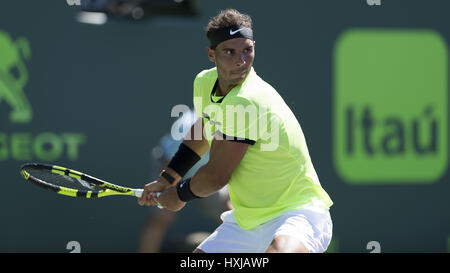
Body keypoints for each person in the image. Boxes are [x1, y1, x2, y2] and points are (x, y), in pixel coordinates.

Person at [138, 8, 333, 253]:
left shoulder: (250, 99)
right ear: (211, 54)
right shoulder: (204, 82)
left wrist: (177, 195)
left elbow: (218, 175)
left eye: (247, 50)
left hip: (296, 212)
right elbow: (201, 134)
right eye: (229, 52)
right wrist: (167, 179)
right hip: (247, 220)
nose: (241, 61)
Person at [138, 109, 231, 253]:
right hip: (170, 166)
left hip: (207, 173)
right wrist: (168, 190)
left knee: (230, 213)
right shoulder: (188, 127)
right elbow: (171, 165)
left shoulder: (239, 130)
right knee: (162, 216)